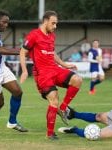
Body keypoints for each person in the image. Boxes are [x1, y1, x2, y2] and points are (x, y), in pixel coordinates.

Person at [19, 10, 82, 140]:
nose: (55, 26)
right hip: (42, 74)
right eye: (53, 23)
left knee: (77, 79)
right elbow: (22, 52)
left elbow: (52, 53)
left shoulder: (52, 35)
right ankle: (50, 133)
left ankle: (63, 109)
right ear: (46, 21)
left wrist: (64, 64)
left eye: (56, 24)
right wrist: (25, 71)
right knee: (54, 99)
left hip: (55, 69)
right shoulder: (33, 35)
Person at [0, 10, 28, 132]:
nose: (6, 25)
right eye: (4, 22)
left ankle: (12, 122)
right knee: (0, 103)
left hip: (1, 68)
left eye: (7, 23)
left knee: (17, 92)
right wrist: (21, 51)